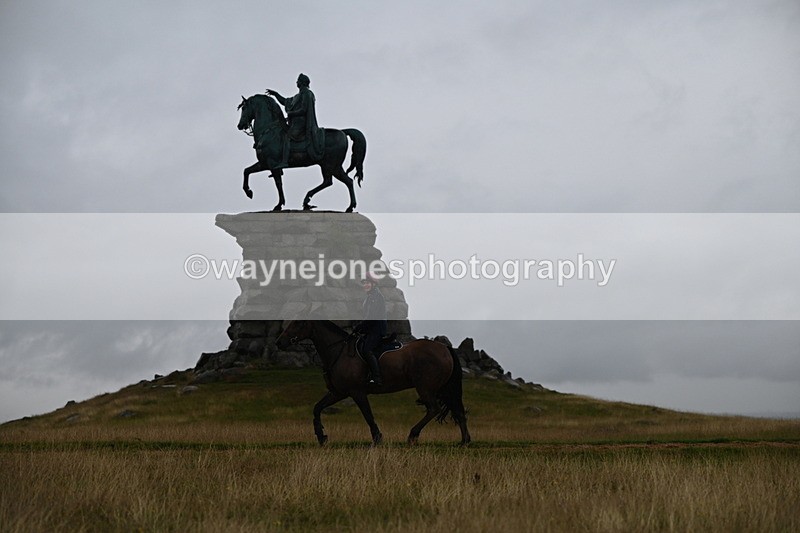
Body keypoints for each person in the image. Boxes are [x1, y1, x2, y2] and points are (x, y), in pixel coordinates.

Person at [266, 73, 325, 162]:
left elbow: (304, 110)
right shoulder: (297, 96)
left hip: (302, 124)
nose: (296, 82)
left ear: (301, 83)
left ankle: (284, 161)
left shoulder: (307, 93)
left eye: (298, 81)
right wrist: (276, 94)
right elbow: (285, 101)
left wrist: (291, 113)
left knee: (287, 136)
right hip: (295, 123)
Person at [354, 272, 387, 385]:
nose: (365, 285)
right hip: (371, 329)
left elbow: (371, 318)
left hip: (377, 329)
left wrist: (360, 327)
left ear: (373, 284)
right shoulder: (369, 297)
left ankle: (377, 378)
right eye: (364, 283)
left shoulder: (375, 297)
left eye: (367, 283)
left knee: (367, 350)